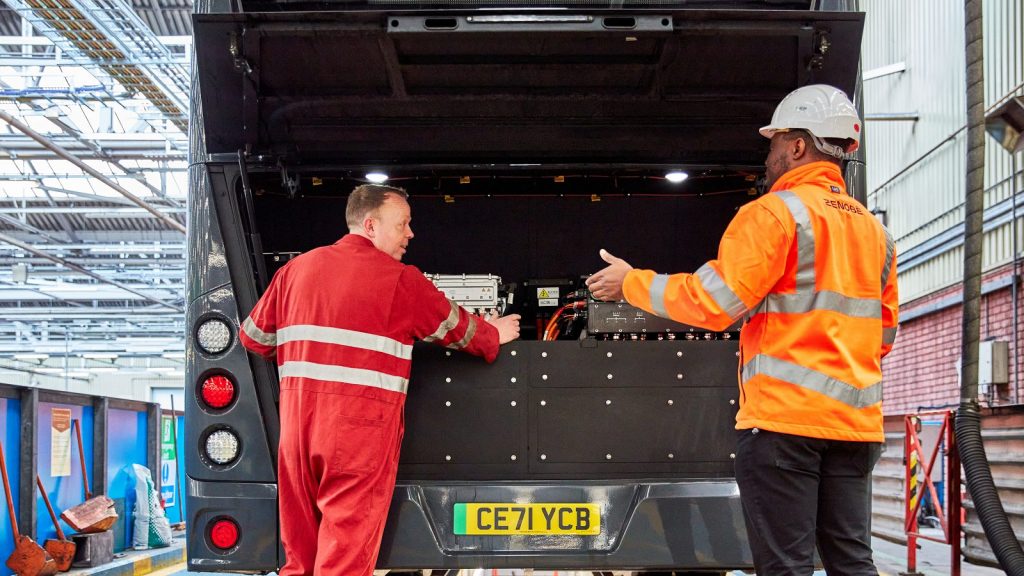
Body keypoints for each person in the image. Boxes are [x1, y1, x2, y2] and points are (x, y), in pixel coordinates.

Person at [586, 84, 898, 576]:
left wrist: (632, 283)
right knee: (853, 561)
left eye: (774, 143)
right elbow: (883, 336)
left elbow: (715, 302)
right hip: (857, 428)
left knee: (785, 566)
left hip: (784, 427)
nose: (769, 155)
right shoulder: (876, 233)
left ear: (798, 146)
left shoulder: (774, 213)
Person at [238, 184, 521, 575]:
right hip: (356, 439)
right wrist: (496, 332)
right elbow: (459, 330)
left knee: (299, 558)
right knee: (344, 561)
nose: (410, 234)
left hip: (297, 433)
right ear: (370, 225)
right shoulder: (400, 280)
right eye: (403, 224)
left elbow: (253, 337)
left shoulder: (295, 271)